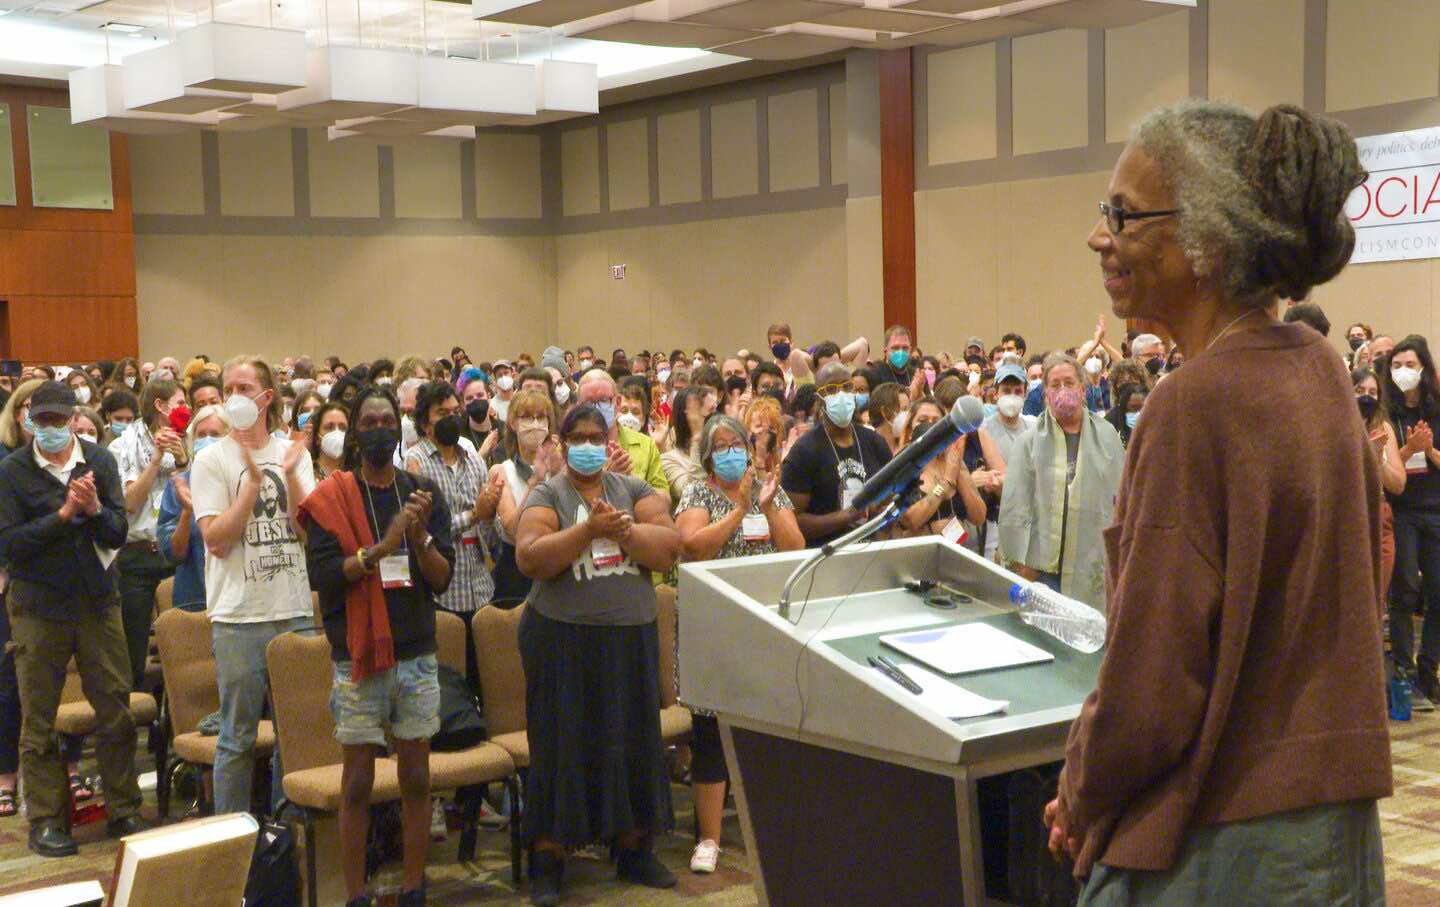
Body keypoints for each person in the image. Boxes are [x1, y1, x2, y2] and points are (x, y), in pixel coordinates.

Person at [1045, 101, 1390, 905]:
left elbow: (1152, 687)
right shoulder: (1321, 371)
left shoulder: (1190, 403)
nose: (1102, 236)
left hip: (1226, 841)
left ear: (1204, 241)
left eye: (1123, 215)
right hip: (1333, 832)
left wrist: (1080, 789)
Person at [514, 403, 682, 906]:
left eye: (596, 436)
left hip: (629, 636)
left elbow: (668, 545)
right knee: (562, 748)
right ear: (564, 446)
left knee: (631, 742)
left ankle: (633, 848)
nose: (587, 444)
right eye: (578, 438)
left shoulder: (631, 491)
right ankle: (549, 859)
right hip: (563, 640)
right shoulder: (549, 493)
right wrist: (588, 531)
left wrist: (625, 532)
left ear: (609, 441)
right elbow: (529, 556)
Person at [302, 385, 453, 907]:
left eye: (387, 419)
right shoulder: (330, 499)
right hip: (358, 657)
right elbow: (324, 576)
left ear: (400, 425)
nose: (378, 429)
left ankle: (414, 887)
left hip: (415, 652)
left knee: (415, 776)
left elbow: (441, 579)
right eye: (367, 422)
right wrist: (377, 551)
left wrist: (417, 540)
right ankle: (356, 894)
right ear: (354, 434)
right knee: (358, 783)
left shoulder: (421, 492)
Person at [0, 381, 149, 857]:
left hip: (97, 600)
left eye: (57, 421)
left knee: (114, 706)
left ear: (72, 418)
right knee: (38, 717)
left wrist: (95, 508)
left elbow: (118, 531)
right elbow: (10, 545)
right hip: (38, 605)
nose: (49, 429)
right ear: (28, 422)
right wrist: (64, 514)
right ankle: (47, 819)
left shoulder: (99, 462)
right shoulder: (12, 472)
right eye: (41, 422)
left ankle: (122, 805)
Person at [673, 415, 802, 873]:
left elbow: (795, 546)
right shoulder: (698, 492)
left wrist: (764, 507)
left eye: (736, 444)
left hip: (761, 629)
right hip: (712, 631)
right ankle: (707, 838)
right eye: (721, 446)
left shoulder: (768, 490)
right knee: (711, 734)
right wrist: (737, 511)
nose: (730, 452)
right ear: (709, 456)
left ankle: (766, 826)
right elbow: (693, 546)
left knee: (763, 731)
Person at [191, 355, 317, 816]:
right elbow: (217, 540)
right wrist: (250, 488)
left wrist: (289, 476)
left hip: (294, 611)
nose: (234, 398)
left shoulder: (293, 454)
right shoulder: (211, 460)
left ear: (266, 398)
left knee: (296, 735)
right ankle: (232, 840)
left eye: (244, 388)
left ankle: (288, 840)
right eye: (228, 390)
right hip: (239, 617)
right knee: (236, 738)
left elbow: (309, 534)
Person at [998, 353, 1123, 611]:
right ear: (1045, 393)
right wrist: (1020, 565)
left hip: (1092, 567)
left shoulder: (1108, 436)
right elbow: (1015, 507)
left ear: (1083, 389)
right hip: (1041, 570)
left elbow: (1121, 499)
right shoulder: (1029, 442)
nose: (1062, 390)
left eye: (1069, 383)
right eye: (1055, 385)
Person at [405, 381, 500, 687]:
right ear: (424, 422)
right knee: (450, 678)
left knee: (482, 677)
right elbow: (427, 530)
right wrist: (473, 515)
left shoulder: (472, 458)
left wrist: (489, 515)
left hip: (479, 583)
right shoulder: (417, 462)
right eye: (441, 413)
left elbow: (488, 519)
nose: (451, 418)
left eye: (454, 412)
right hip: (444, 589)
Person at [109, 378, 187, 687]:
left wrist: (182, 459)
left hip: (177, 554)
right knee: (133, 651)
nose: (186, 409)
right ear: (161, 405)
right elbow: (129, 503)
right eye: (180, 402)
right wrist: (156, 460)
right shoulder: (121, 445)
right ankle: (136, 717)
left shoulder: (190, 438)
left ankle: (176, 721)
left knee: (186, 646)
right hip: (137, 557)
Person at [1382, 335, 1440, 707]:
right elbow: (1387, 465)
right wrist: (1409, 449)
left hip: (1435, 510)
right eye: (1397, 365)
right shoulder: (1389, 413)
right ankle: (1402, 672)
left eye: (1410, 364)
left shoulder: (1435, 410)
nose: (1404, 372)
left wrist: (1429, 449)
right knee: (1403, 591)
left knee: (1438, 591)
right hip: (1401, 509)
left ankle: (1428, 669)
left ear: (1424, 368)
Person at [780, 362, 893, 549]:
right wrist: (846, 516)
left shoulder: (874, 442)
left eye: (847, 387)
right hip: (824, 556)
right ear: (819, 399)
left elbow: (890, 497)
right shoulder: (805, 450)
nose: (841, 395)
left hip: (870, 550)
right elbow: (793, 520)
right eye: (831, 389)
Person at [158, 404, 230, 613]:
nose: (207, 439)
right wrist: (188, 511)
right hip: (194, 600)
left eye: (215, 434)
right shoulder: (179, 486)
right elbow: (174, 555)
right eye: (201, 435)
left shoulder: (241, 481)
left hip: (237, 599)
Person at [490, 390, 559, 605]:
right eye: (527, 417)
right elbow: (512, 528)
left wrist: (557, 474)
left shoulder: (559, 467)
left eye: (541, 418)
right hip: (515, 571)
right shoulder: (501, 470)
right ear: (512, 422)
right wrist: (535, 482)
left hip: (554, 562)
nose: (535, 424)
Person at [894, 398, 987, 538]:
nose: (930, 426)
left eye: (936, 421)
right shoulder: (902, 464)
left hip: (954, 553)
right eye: (922, 420)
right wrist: (946, 482)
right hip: (917, 554)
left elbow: (979, 517)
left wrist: (958, 472)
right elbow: (911, 520)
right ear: (910, 428)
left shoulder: (954, 461)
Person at [576, 369, 668, 496]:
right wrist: (604, 479)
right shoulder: (570, 447)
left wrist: (630, 482)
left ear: (617, 402)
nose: (596, 408)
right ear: (579, 406)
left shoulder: (646, 445)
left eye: (603, 400)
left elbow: (665, 500)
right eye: (589, 402)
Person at [659, 386, 709, 505]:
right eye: (706, 412)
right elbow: (689, 493)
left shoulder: (724, 453)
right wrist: (698, 440)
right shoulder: (669, 460)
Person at [310, 399, 350, 481]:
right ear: (317, 437)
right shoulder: (306, 471)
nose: (337, 432)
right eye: (329, 427)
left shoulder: (358, 474)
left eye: (343, 428)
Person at [1105, 383, 1147, 448]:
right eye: (1134, 407)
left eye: (1142, 408)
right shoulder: (1110, 422)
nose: (1139, 413)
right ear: (1124, 406)